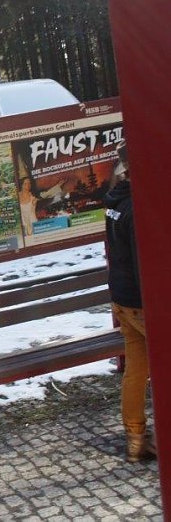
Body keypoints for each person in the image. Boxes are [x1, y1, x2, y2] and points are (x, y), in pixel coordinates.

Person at [105, 140, 155, 462]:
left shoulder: (116, 199)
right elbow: (144, 265)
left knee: (136, 370)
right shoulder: (136, 207)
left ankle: (136, 440)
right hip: (139, 302)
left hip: (122, 300)